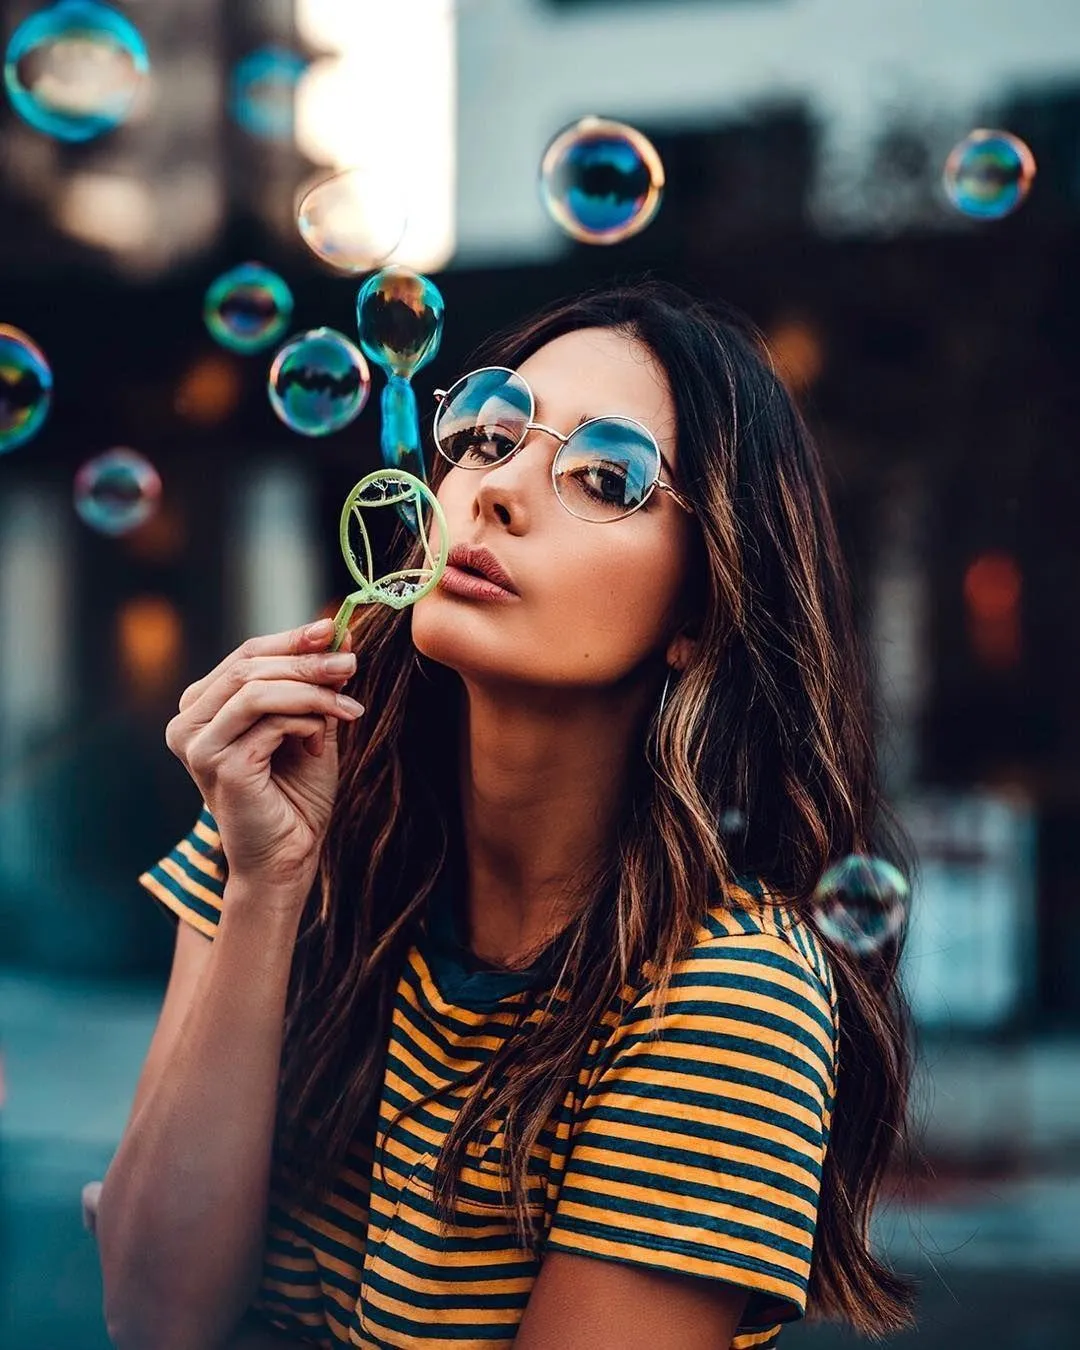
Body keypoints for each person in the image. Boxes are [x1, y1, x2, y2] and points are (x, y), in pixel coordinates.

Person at [95, 281, 914, 1350]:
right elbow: (152, 1313)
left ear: (700, 608)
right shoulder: (285, 815)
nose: (497, 491)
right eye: (488, 437)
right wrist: (265, 888)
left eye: (607, 477)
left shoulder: (724, 991)